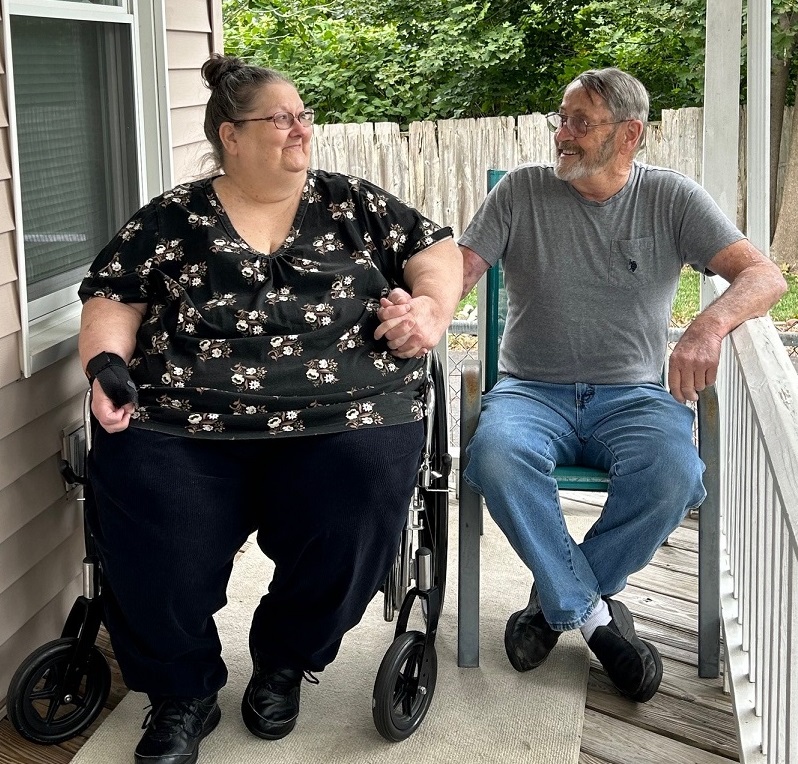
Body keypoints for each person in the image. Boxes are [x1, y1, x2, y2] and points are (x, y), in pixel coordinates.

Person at [78, 53, 461, 764]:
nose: (300, 129)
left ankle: (285, 659)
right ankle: (181, 691)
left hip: (345, 411)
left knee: (363, 488)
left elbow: (434, 248)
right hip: (185, 414)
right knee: (149, 505)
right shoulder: (172, 217)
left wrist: (431, 310)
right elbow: (113, 295)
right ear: (230, 134)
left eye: (304, 115)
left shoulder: (353, 203)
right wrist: (105, 365)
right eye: (280, 118)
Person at [458, 67, 786, 703]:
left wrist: (709, 325)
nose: (563, 134)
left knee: (675, 474)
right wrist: (420, 300)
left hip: (632, 394)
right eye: (562, 118)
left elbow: (764, 276)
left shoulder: (672, 199)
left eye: (582, 123)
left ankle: (555, 601)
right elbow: (463, 269)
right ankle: (598, 619)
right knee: (495, 457)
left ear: (630, 135)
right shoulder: (522, 192)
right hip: (531, 389)